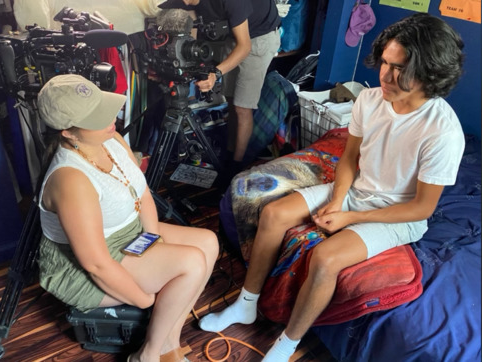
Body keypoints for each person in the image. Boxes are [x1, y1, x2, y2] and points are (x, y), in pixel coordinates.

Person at [197, 13, 465, 361]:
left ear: (430, 73)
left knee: (325, 258)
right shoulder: (369, 101)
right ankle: (246, 304)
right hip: (357, 190)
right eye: (384, 62)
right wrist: (338, 200)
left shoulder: (442, 131)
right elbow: (350, 158)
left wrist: (349, 218)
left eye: (400, 69)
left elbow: (421, 209)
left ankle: (286, 344)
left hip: (399, 215)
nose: (385, 75)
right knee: (274, 213)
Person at [36, 74, 219, 362]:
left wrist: (151, 239)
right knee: (191, 264)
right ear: (68, 133)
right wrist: (143, 299)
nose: (112, 118)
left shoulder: (111, 139)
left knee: (208, 242)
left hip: (126, 232)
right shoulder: (71, 179)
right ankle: (145, 356)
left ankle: (167, 343)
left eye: (104, 107)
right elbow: (95, 263)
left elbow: (142, 193)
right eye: (97, 117)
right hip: (86, 262)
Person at [174, 0, 281, 179]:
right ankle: (230, 154)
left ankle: (236, 168)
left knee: (242, 107)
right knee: (231, 101)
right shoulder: (187, 2)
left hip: (259, 37)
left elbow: (245, 46)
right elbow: (192, 30)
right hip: (233, 35)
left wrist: (215, 73)